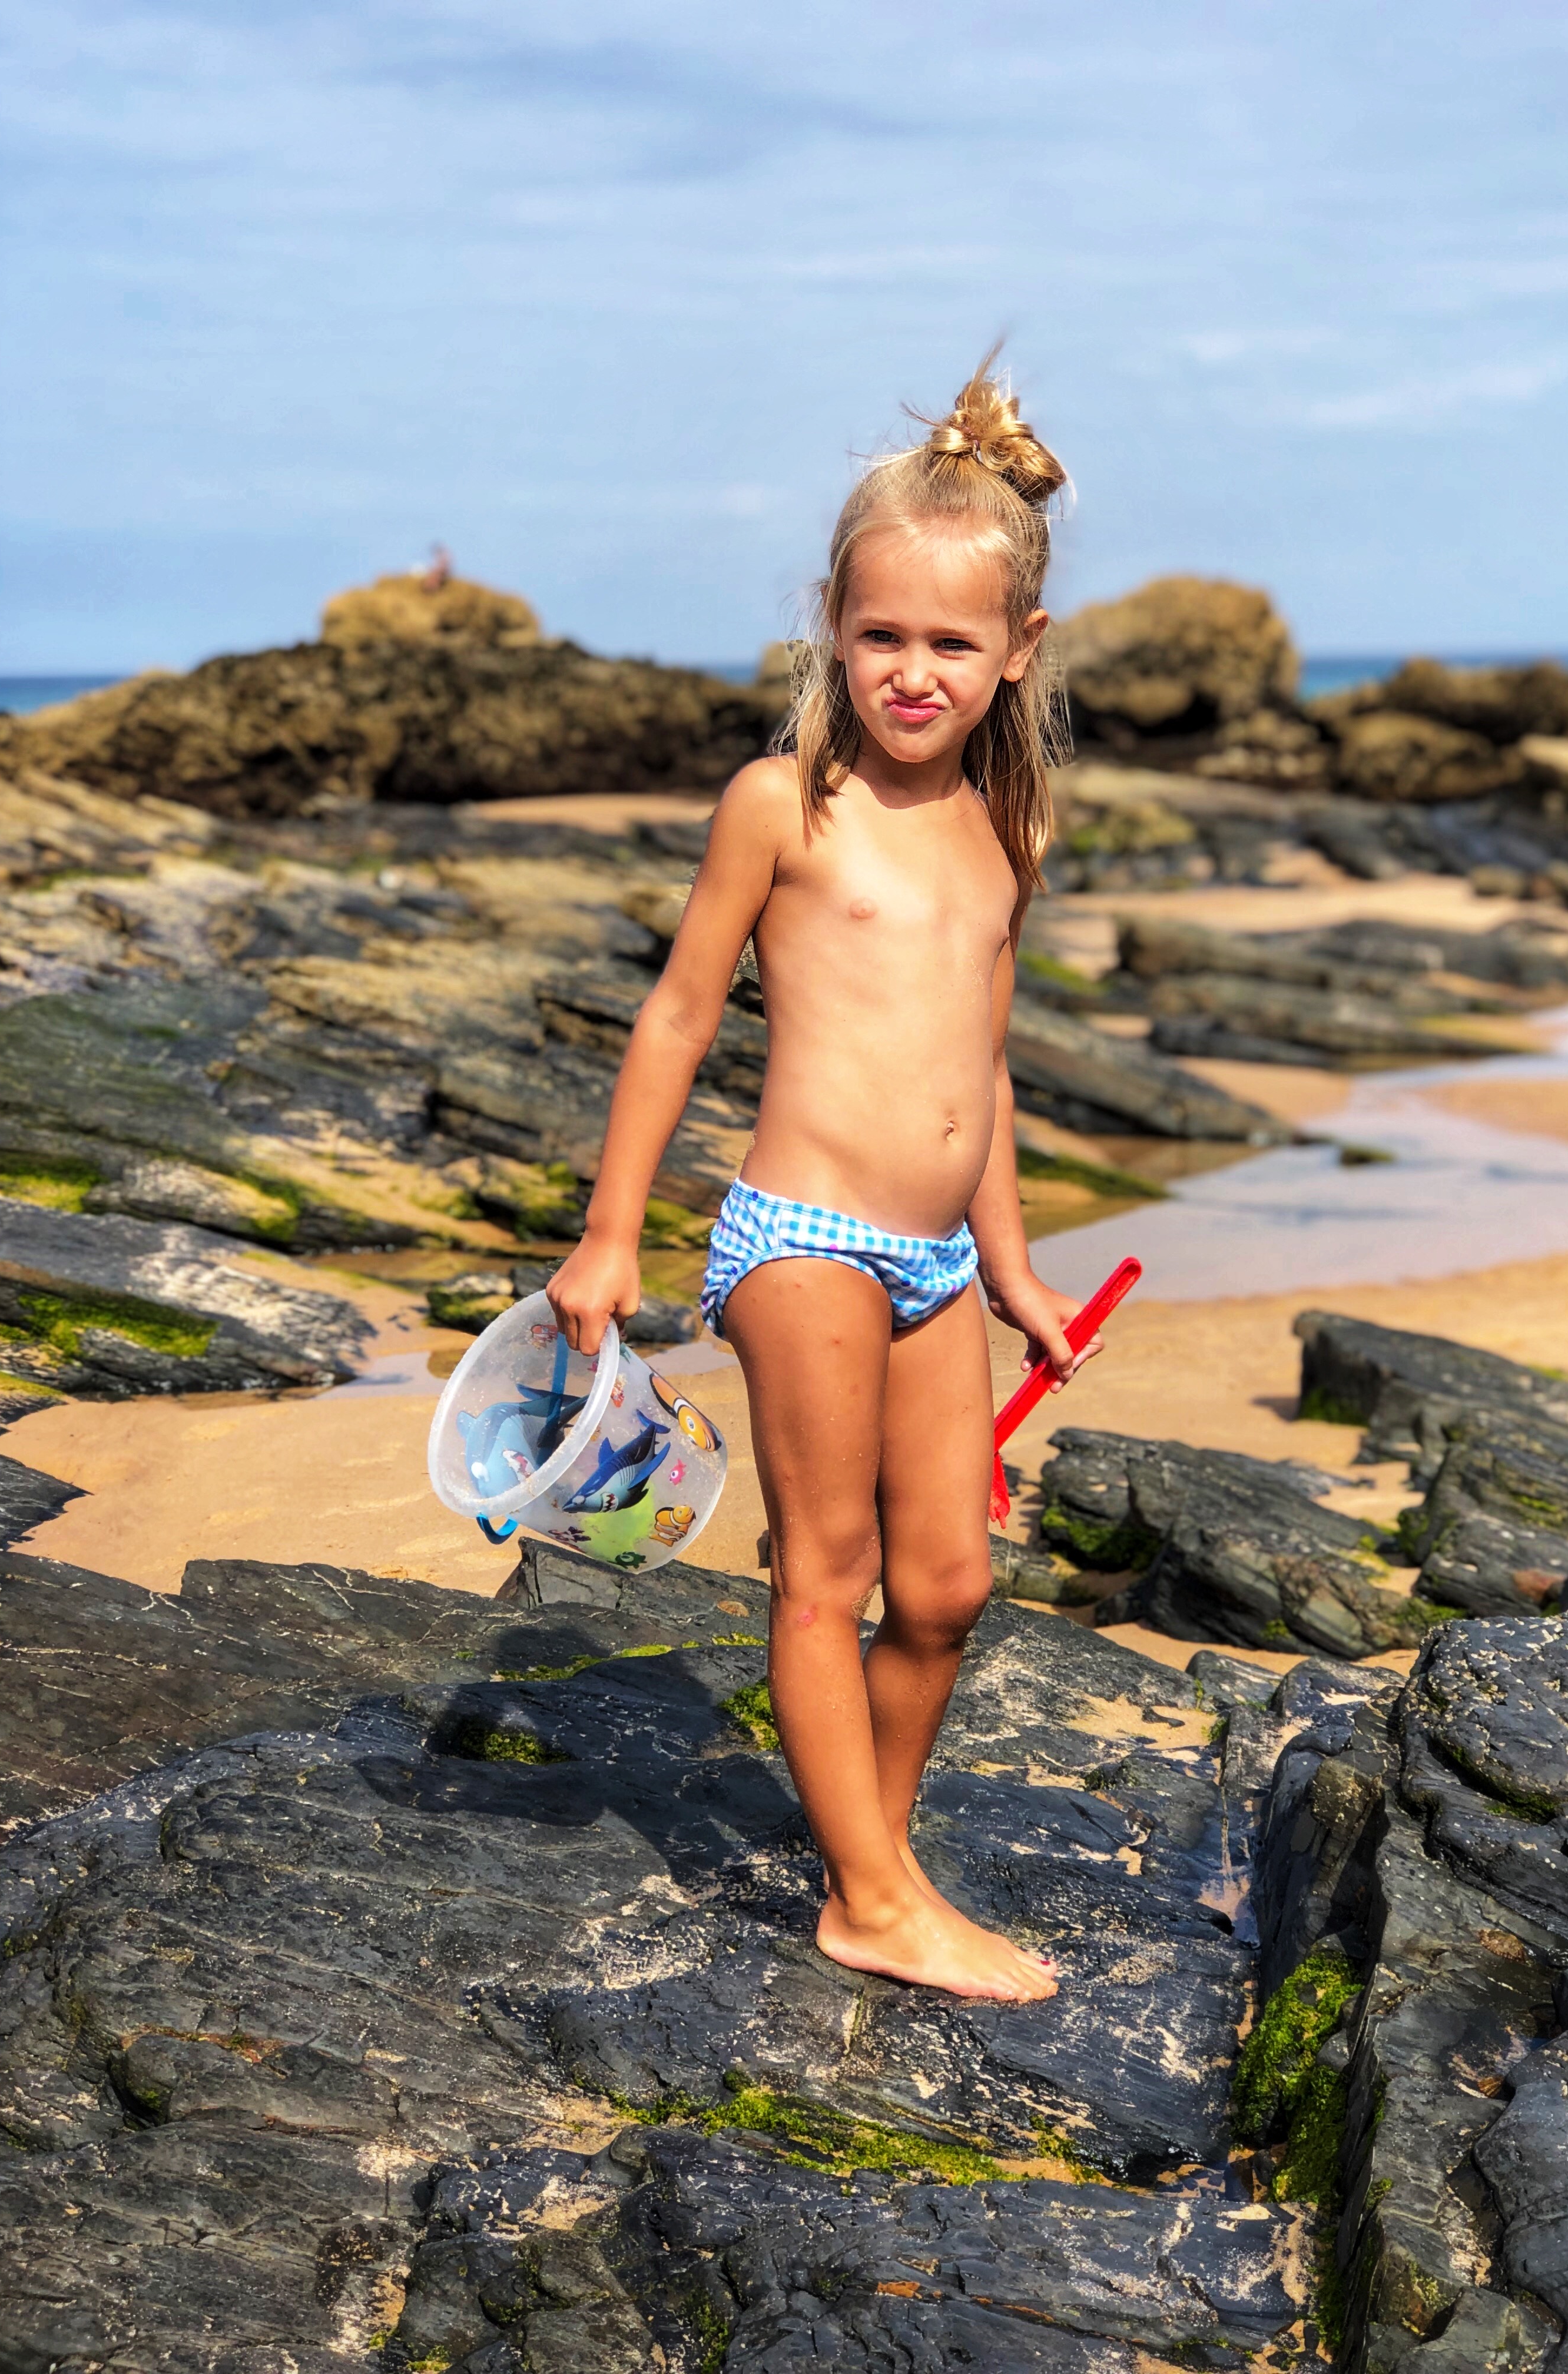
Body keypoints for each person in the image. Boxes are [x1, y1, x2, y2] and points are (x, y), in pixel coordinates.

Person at [547, 359, 1102, 2002]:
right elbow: (677, 1014)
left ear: (1020, 650)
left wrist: (1015, 1269)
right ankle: (869, 1898)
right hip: (804, 1239)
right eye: (881, 636)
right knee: (830, 1572)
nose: (913, 673)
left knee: (947, 1588)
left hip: (939, 1261)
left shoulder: (1006, 831)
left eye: (952, 645)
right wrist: (607, 1239)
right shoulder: (783, 805)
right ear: (832, 629)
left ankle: (879, 1866)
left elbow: (980, 1071)